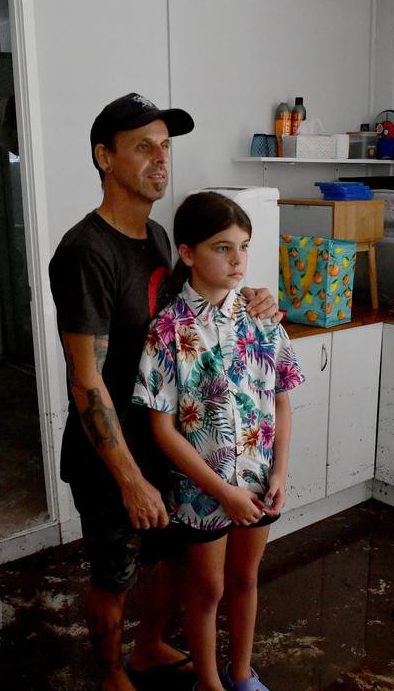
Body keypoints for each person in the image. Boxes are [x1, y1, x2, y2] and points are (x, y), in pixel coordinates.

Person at [47, 94, 279, 691]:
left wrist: (254, 298)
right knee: (115, 576)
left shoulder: (154, 235)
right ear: (105, 157)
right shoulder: (84, 252)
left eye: (165, 147)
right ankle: (110, 677)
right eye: (143, 147)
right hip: (111, 456)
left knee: (178, 562)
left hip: (168, 440)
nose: (160, 160)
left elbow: (196, 306)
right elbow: (85, 377)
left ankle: (149, 648)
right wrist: (128, 477)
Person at [133, 192, 303, 691]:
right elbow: (162, 429)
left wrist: (279, 474)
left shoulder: (262, 319)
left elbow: (282, 400)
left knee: (247, 580)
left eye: (243, 248)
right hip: (201, 491)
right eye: (222, 248)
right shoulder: (167, 331)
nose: (237, 261)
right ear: (187, 253)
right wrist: (222, 492)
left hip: (258, 484)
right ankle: (209, 683)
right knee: (207, 589)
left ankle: (243, 674)